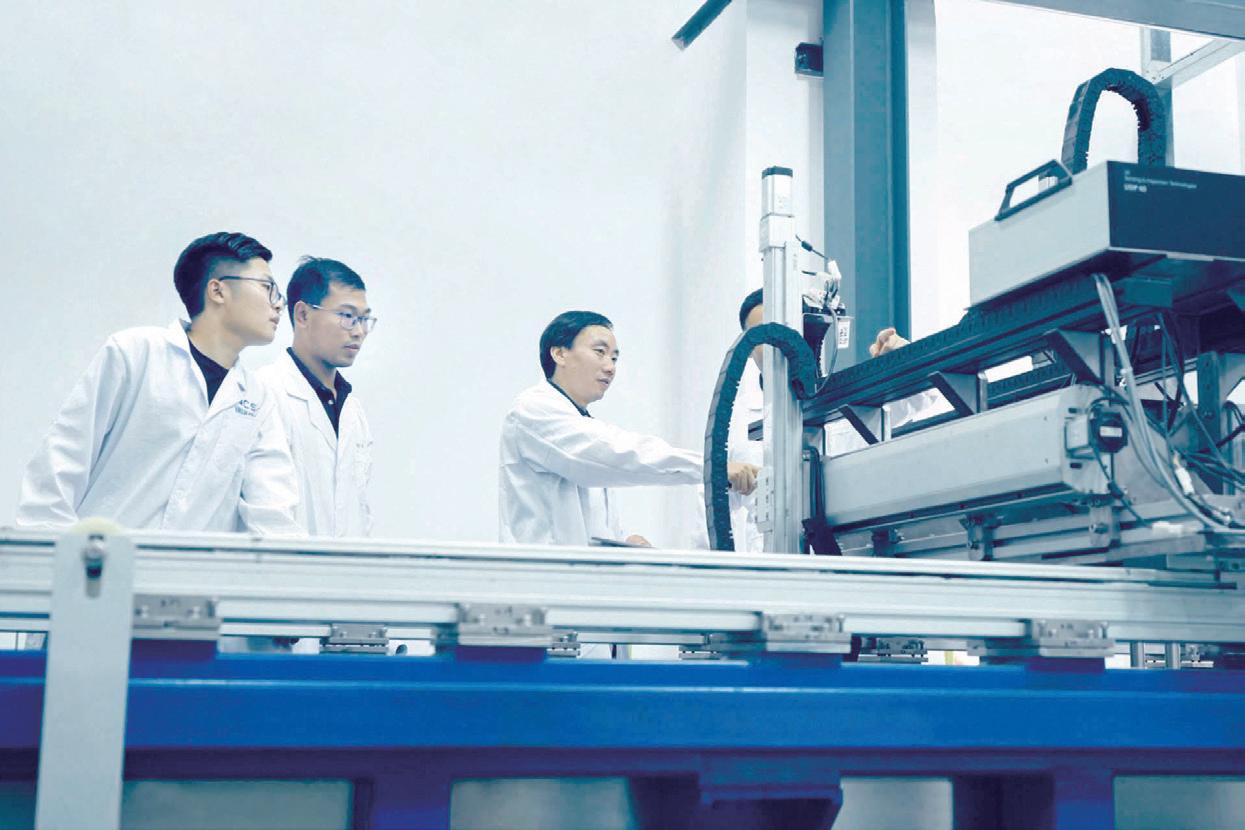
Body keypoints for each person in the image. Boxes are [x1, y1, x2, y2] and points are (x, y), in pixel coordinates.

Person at [15, 231, 301, 535]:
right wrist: (49, 551)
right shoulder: (136, 353)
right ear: (218, 291)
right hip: (103, 559)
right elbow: (61, 462)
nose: (278, 304)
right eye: (267, 287)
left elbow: (273, 512)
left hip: (189, 566)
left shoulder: (258, 399)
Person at [500, 310, 758, 547]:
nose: (610, 367)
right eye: (599, 352)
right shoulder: (533, 410)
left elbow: (587, 519)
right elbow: (614, 455)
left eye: (614, 358)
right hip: (545, 576)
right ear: (559, 354)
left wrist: (622, 540)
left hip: (580, 575)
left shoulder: (582, 422)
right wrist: (710, 467)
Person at [728, 289, 932, 551]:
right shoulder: (736, 422)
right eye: (763, 336)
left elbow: (923, 396)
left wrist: (901, 360)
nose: (776, 344)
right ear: (747, 347)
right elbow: (712, 519)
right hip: (773, 567)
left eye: (784, 330)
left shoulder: (847, 400)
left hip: (853, 560)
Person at [257, 257, 375, 537]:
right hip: (285, 562)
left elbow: (359, 512)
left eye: (364, 319)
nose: (359, 331)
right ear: (303, 315)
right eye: (347, 316)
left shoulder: (352, 409)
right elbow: (266, 516)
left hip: (346, 563)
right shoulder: (264, 393)